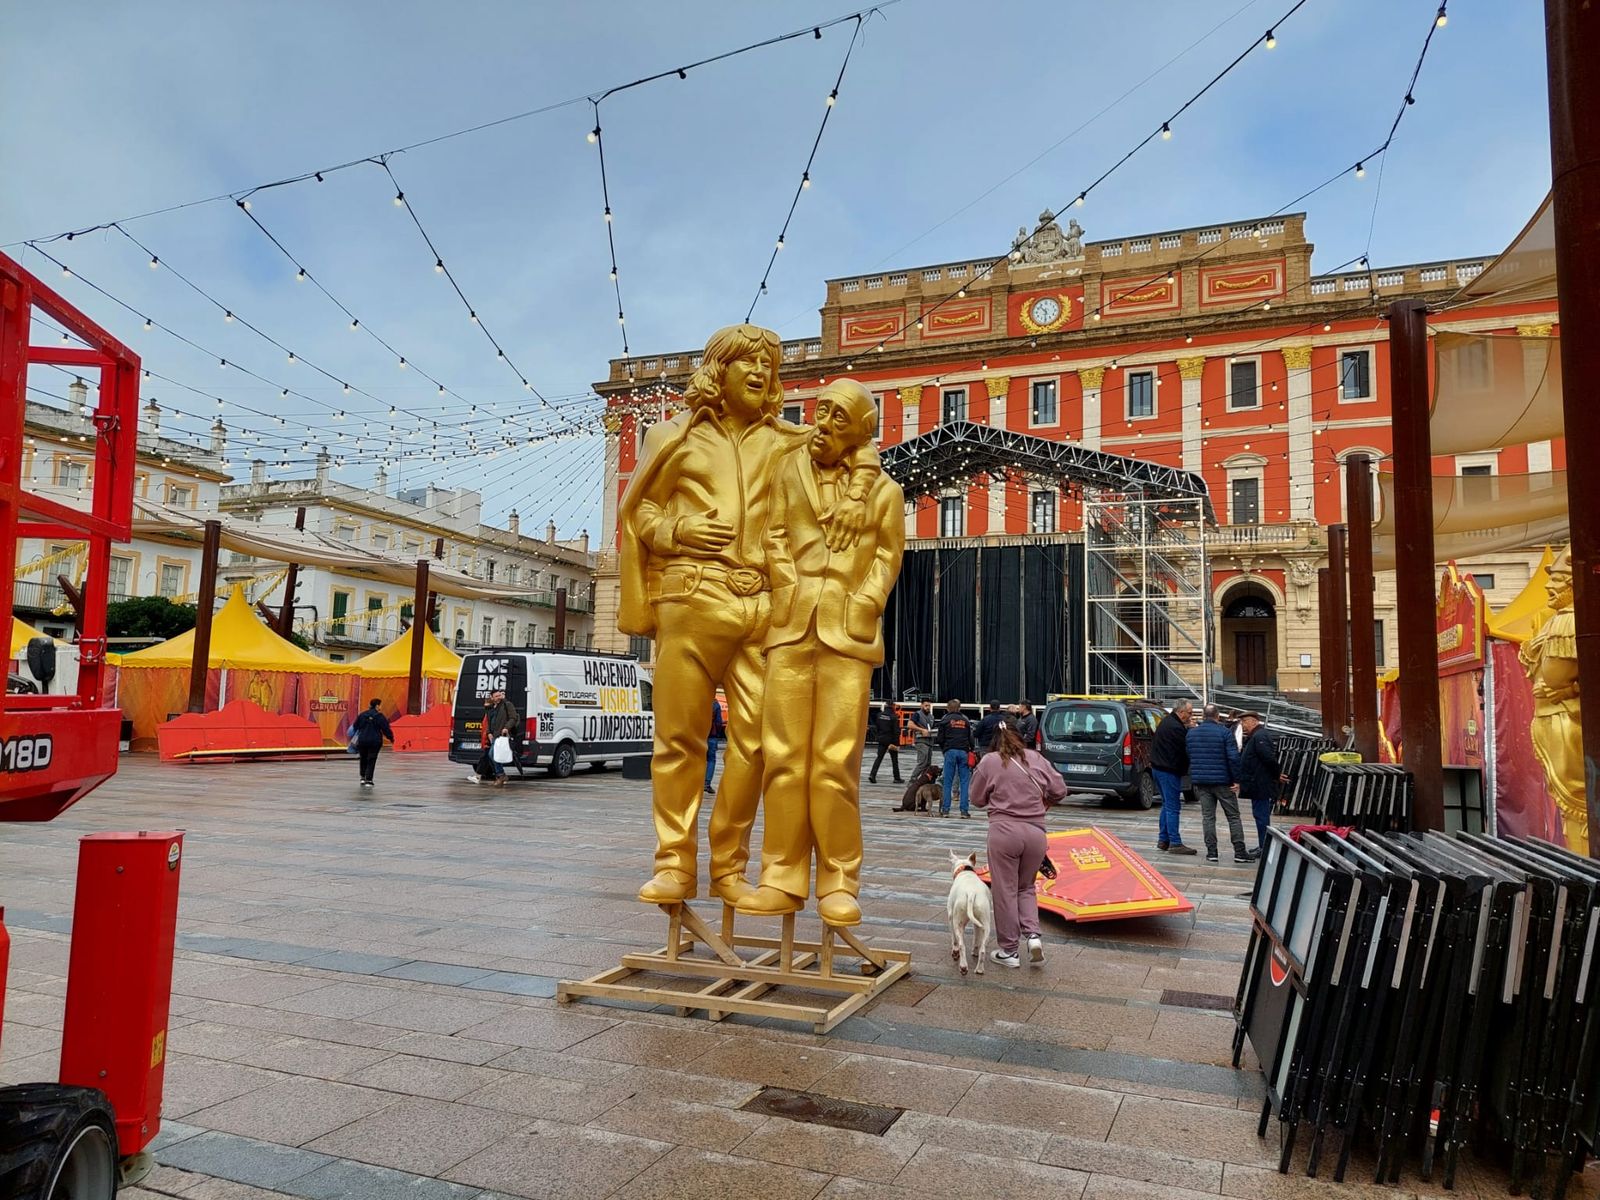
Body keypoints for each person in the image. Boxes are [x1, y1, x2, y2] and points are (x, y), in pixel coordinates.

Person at [617, 324, 879, 905]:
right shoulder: (671, 437)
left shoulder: (790, 440)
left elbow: (863, 446)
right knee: (678, 740)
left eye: (770, 365)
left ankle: (728, 865)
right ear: (720, 370)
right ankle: (674, 863)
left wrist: (860, 488)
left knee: (761, 745)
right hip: (691, 596)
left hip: (766, 603)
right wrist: (678, 528)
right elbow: (640, 515)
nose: (762, 374)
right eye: (749, 364)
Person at [739, 380, 905, 926]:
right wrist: (787, 584)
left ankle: (839, 881)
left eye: (838, 416)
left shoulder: (885, 492)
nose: (823, 424)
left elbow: (888, 556)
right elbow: (772, 535)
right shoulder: (788, 471)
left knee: (836, 763)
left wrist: (865, 601)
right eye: (820, 411)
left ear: (861, 430)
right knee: (783, 758)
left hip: (848, 635)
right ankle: (781, 877)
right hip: (790, 627)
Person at [972, 722, 1066, 968]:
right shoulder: (1036, 758)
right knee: (1026, 887)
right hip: (1036, 833)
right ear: (1020, 738)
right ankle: (1033, 936)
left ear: (994, 741)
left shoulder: (990, 761)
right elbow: (1060, 789)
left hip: (1004, 832)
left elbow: (976, 799)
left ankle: (1009, 951)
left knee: (1004, 890)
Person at [1186, 704, 1254, 863]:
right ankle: (1239, 852)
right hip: (1223, 781)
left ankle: (1211, 852)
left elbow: (1190, 755)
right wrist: (1237, 779)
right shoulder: (1224, 732)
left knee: (1208, 817)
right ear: (1217, 716)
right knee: (1233, 817)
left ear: (1203, 715)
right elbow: (1233, 758)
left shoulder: (1191, 734)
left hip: (1201, 781)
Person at [1150, 699, 1197, 855]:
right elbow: (1185, 748)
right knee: (1173, 807)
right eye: (1189, 713)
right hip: (1168, 771)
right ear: (1181, 712)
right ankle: (1175, 842)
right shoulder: (1176, 728)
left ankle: (1163, 839)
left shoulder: (1168, 722)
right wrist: (1191, 731)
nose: (1190, 716)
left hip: (1159, 769)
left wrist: (1186, 728)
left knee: (1167, 805)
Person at [1237, 712, 1286, 851]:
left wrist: (1276, 775)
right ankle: (1262, 845)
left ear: (1254, 721)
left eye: (1245, 721)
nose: (1243, 725)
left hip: (1260, 784)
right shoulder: (1256, 736)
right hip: (1257, 783)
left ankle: (1264, 847)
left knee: (1262, 816)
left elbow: (1269, 759)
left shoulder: (1260, 736)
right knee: (1259, 815)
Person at [937, 700, 974, 818]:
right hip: (963, 752)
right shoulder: (966, 720)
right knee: (964, 782)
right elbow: (971, 738)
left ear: (948, 708)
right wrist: (970, 750)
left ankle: (946, 810)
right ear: (959, 708)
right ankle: (964, 811)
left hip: (950, 751)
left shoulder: (944, 720)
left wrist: (944, 750)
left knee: (947, 781)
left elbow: (940, 739)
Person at [481, 688, 521, 789]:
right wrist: (489, 733)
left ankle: (500, 775)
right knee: (491, 755)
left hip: (502, 735)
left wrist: (506, 728)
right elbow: (489, 722)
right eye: (496, 696)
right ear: (492, 697)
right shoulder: (490, 708)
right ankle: (500, 775)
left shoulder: (507, 705)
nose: (499, 698)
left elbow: (513, 718)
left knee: (492, 754)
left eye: (500, 695)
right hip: (493, 735)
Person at [350, 699, 393, 788]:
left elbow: (355, 726)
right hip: (375, 741)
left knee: (363, 758)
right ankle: (369, 780)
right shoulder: (379, 716)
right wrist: (391, 738)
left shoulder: (362, 715)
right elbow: (386, 729)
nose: (380, 707)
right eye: (380, 705)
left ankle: (362, 777)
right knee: (372, 759)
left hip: (362, 741)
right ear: (377, 706)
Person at [868, 704, 903, 785]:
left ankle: (872, 775)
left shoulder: (879, 715)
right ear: (893, 707)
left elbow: (876, 727)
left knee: (879, 758)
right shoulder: (894, 717)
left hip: (882, 739)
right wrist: (897, 744)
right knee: (894, 760)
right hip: (891, 741)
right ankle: (896, 778)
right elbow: (896, 731)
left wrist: (878, 736)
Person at [908, 700, 937, 777]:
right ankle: (913, 778)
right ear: (921, 705)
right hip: (921, 741)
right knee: (923, 762)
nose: (928, 707)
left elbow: (932, 728)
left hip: (930, 742)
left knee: (928, 763)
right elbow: (910, 725)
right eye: (926, 705)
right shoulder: (917, 714)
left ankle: (923, 780)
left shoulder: (931, 717)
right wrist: (921, 730)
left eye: (929, 706)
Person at [704, 697, 725, 795]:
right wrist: (717, 733)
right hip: (711, 736)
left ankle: (696, 782)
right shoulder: (715, 704)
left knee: (697, 759)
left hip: (699, 736)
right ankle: (707, 783)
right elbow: (718, 722)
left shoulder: (698, 699)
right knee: (711, 759)